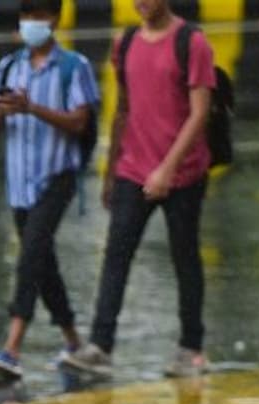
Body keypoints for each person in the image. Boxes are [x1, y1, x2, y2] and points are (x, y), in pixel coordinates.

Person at [60, 0, 215, 378]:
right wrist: (112, 170)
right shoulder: (124, 42)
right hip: (134, 167)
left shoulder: (192, 43)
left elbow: (200, 113)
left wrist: (167, 169)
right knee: (116, 254)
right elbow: (124, 108)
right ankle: (101, 346)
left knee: (185, 258)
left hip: (183, 172)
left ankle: (192, 348)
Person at [0, 0, 99, 381]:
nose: (32, 23)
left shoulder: (73, 67)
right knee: (44, 265)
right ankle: (74, 341)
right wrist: (1, 111)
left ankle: (12, 348)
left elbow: (80, 121)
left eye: (39, 16)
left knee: (30, 255)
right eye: (26, 16)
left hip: (57, 177)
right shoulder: (9, 67)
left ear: (55, 20)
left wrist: (33, 108)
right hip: (19, 183)